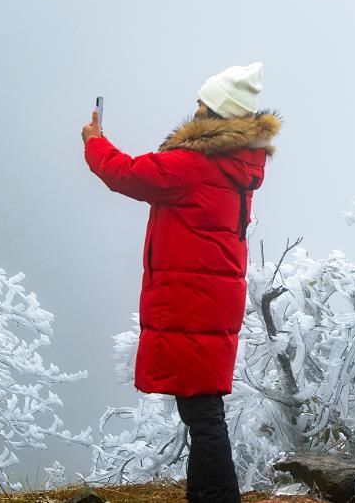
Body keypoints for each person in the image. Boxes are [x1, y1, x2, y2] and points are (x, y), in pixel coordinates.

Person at [81, 62, 280, 503]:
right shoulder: (236, 166)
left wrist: (94, 142)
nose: (194, 110)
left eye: (201, 104)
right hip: (210, 298)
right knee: (202, 407)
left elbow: (126, 173)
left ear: (216, 114)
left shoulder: (194, 166)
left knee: (203, 412)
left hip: (194, 299)